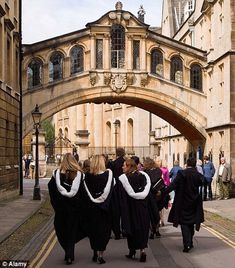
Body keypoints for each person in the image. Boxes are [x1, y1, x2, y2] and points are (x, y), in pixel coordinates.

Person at [48, 153, 85, 265]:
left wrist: (56, 205)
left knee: (60, 231)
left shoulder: (57, 176)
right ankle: (69, 252)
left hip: (61, 209)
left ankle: (68, 253)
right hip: (74, 209)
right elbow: (83, 193)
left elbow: (52, 190)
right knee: (71, 231)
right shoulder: (79, 176)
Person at [162, 157, 204, 253]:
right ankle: (190, 242)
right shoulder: (198, 175)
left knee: (184, 223)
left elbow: (173, 185)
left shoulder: (182, 173)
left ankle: (187, 244)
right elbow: (203, 181)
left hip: (183, 202)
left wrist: (164, 192)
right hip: (194, 203)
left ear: (187, 164)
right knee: (191, 223)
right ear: (194, 165)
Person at [81, 155, 115, 264]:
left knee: (94, 231)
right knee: (104, 231)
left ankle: (95, 251)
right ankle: (100, 254)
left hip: (92, 209)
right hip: (105, 209)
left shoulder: (87, 176)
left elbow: (84, 194)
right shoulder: (108, 175)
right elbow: (112, 191)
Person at [119, 158, 151, 262]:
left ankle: (132, 251)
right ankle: (142, 251)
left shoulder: (125, 179)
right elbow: (148, 194)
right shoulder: (143, 176)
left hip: (130, 209)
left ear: (129, 166)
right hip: (142, 208)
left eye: (124, 165)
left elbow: (122, 197)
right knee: (142, 229)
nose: (122, 167)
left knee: (132, 230)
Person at [143, 157, 162, 239]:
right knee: (157, 212)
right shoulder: (158, 170)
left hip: (149, 194)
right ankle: (157, 230)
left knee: (151, 214)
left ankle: (152, 231)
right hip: (157, 194)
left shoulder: (145, 172)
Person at [109, 147, 126, 239]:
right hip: (124, 188)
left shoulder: (113, 163)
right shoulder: (126, 162)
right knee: (124, 211)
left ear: (116, 153)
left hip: (115, 189)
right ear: (123, 153)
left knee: (116, 212)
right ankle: (124, 230)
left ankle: (117, 233)